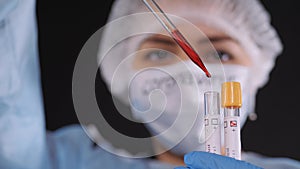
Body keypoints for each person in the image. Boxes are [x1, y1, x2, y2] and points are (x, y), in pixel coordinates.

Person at [1, 0, 300, 169]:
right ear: (123, 78)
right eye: (158, 52)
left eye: (221, 53)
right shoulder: (66, 164)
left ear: (257, 71)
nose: (193, 71)